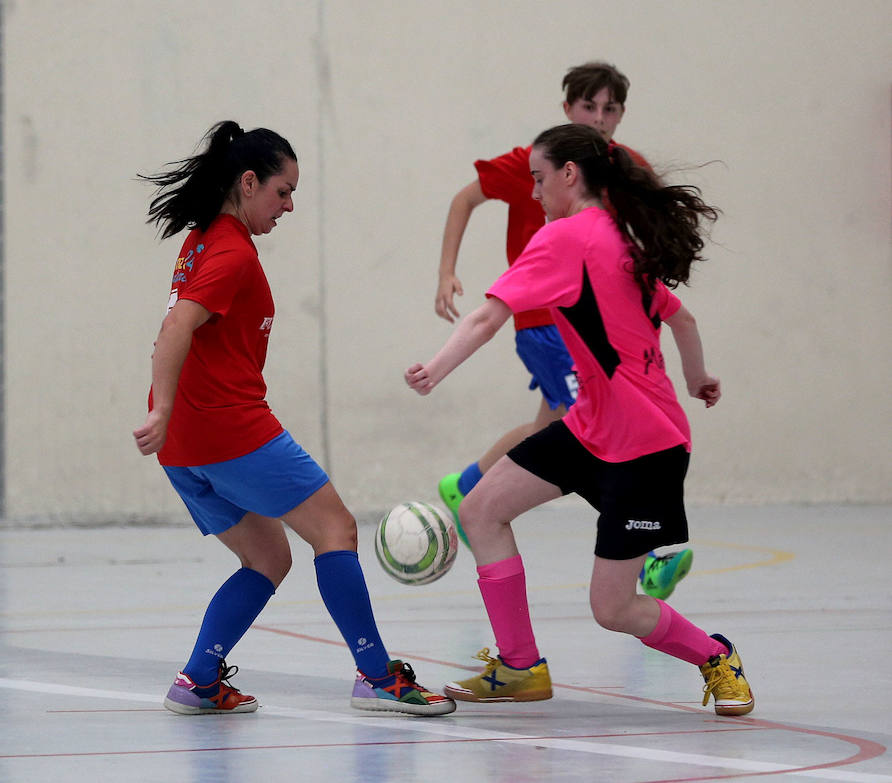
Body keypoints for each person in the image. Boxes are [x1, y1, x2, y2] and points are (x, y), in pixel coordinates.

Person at [406, 123, 753, 717]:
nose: (533, 192)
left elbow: (487, 317)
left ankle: (716, 656)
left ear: (570, 174)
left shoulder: (566, 237)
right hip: (590, 428)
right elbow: (683, 319)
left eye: (539, 179)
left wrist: (434, 370)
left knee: (612, 609)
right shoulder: (622, 234)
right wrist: (697, 379)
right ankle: (519, 666)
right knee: (480, 510)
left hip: (645, 445)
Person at [134, 121, 454, 717]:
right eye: (282, 192)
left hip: (185, 445)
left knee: (268, 559)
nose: (288, 206)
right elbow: (177, 326)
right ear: (248, 183)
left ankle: (197, 679)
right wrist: (165, 408)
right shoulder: (229, 251)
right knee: (336, 530)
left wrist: (165, 416)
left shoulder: (203, 239)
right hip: (227, 428)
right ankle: (377, 676)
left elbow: (184, 327)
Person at [434, 61, 692, 600]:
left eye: (609, 109)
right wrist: (446, 272)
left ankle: (467, 486)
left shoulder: (621, 168)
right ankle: (645, 558)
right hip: (544, 324)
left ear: (621, 114)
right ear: (567, 108)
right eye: (587, 106)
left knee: (554, 427)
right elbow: (464, 199)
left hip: (595, 329)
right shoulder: (537, 163)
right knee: (592, 431)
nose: (598, 117)